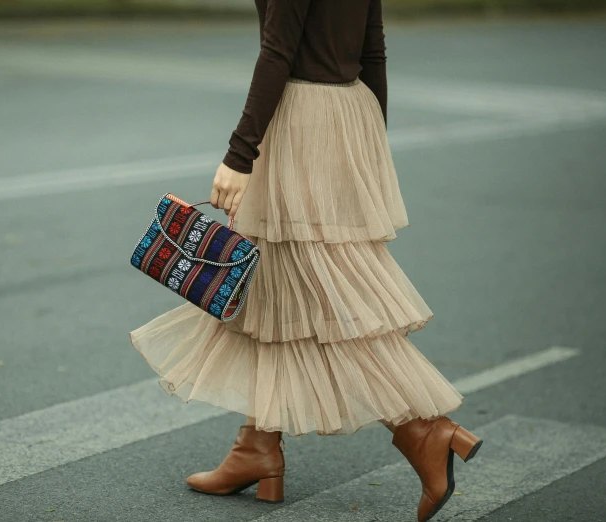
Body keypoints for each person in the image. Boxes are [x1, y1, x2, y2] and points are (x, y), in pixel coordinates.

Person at [129, 0, 483, 520]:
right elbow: (373, 48)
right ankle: (256, 447)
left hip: (300, 121)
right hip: (347, 114)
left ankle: (422, 431)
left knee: (319, 294)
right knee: (274, 285)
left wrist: (239, 154)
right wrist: (368, 144)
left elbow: (278, 50)